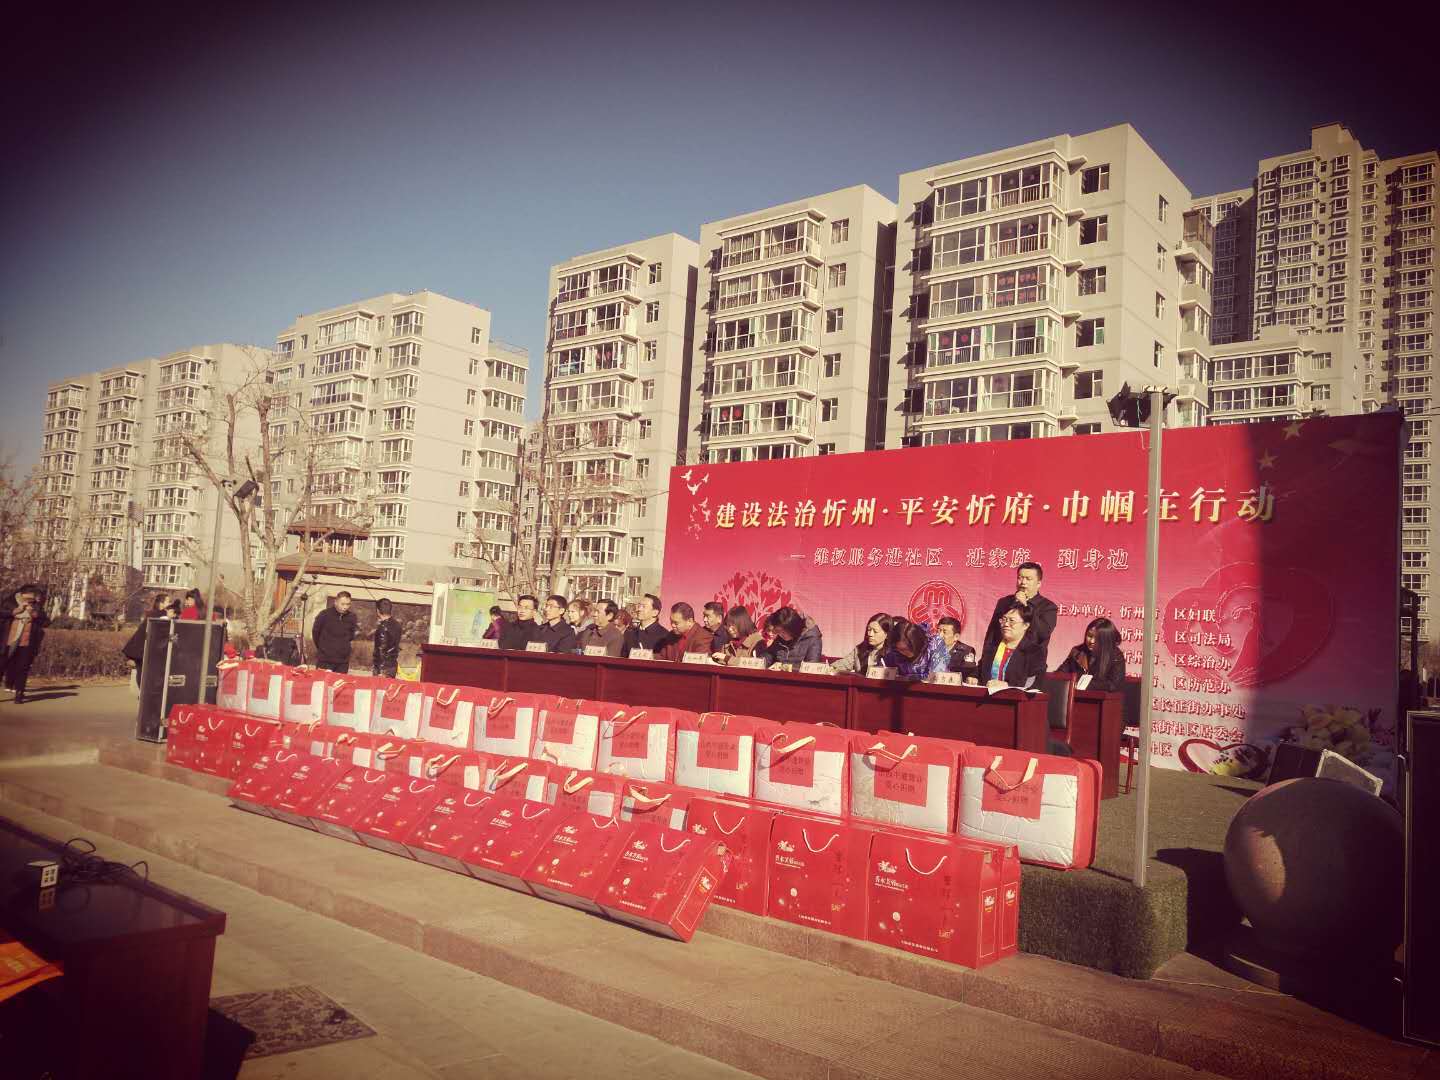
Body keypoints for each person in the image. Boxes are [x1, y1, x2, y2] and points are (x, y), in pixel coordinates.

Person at [982, 562, 1059, 668]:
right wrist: (984, 660)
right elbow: (992, 634)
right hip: (999, 660)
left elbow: (1043, 633)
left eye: (1028, 579)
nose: (1023, 582)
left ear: (1038, 583)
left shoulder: (1048, 607)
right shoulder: (1004, 602)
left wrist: (1026, 605)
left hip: (1029, 665)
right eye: (1020, 578)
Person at [975, 601, 1047, 690]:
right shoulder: (992, 646)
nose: (1006, 624)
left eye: (1011, 621)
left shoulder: (1034, 652)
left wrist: (1008, 686)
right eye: (1004, 620)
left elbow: (1034, 683)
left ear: (1025, 625)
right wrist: (974, 678)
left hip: (1016, 698)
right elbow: (979, 671)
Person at [0, 585, 49, 705]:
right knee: (1, 665)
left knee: (23, 668)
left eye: (32, 598)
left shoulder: (36, 606)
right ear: (21, 594)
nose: (30, 600)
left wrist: (34, 614)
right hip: (8, 641)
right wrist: (14, 612)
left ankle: (19, 694)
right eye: (28, 597)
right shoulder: (10, 602)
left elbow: (46, 622)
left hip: (27, 642)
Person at [1058, 617, 1127, 691]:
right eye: (1090, 636)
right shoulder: (1077, 651)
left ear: (1106, 640)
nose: (1092, 641)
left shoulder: (1116, 656)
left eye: (1097, 638)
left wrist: (1084, 685)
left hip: (1100, 697)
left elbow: (1113, 685)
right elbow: (1060, 674)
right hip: (1075, 696)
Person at [121, 594, 169, 684]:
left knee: (140, 671)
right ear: (161, 603)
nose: (169, 603)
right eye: (167, 601)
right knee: (146, 672)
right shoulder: (162, 614)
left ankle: (142, 690)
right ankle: (145, 691)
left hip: (138, 646)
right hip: (146, 648)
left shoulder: (152, 613)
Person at [883, 618, 950, 681]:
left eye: (908, 648)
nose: (905, 652)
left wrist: (908, 678)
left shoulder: (935, 645)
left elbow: (936, 677)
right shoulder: (894, 653)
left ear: (917, 642)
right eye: (900, 649)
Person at [759, 606, 824, 668]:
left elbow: (811, 666)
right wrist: (760, 662)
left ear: (793, 629)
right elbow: (770, 654)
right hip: (779, 674)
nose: (781, 635)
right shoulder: (781, 634)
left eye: (784, 632)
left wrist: (785, 668)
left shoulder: (812, 637)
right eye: (779, 631)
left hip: (799, 675)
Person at [311, 591, 358, 674]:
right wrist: (323, 648)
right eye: (342, 604)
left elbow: (351, 635)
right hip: (325, 659)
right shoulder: (324, 615)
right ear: (335, 602)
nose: (345, 607)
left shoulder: (352, 617)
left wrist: (344, 648)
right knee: (321, 681)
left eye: (348, 604)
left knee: (339, 681)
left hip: (342, 661)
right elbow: (316, 633)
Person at [937, 617, 979, 681]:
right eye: (938, 631)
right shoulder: (929, 648)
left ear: (956, 637)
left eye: (944, 632)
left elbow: (970, 673)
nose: (939, 635)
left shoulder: (966, 651)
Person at [372, 598, 402, 677]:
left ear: (378, 611)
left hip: (383, 667)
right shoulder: (397, 625)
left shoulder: (382, 627)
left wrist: (379, 669)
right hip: (392, 665)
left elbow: (382, 649)